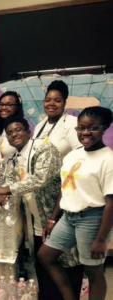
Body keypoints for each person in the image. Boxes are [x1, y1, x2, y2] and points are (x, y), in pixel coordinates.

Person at [0, 116, 81, 300]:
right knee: (42, 265)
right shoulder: (13, 159)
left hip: (57, 215)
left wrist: (6, 189)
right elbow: (8, 180)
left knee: (67, 262)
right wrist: (2, 192)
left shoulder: (43, 147)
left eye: (18, 130)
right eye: (9, 133)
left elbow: (41, 178)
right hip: (35, 220)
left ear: (28, 131)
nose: (14, 135)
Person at [38, 106, 113, 300]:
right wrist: (53, 219)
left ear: (104, 128)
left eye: (92, 128)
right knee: (46, 256)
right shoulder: (72, 155)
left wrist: (100, 239)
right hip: (68, 217)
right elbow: (65, 189)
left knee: (93, 270)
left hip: (92, 217)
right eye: (80, 128)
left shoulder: (108, 159)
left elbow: (111, 202)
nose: (85, 133)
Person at [33, 80, 81, 158]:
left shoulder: (72, 123)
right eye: (48, 100)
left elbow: (80, 153)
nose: (51, 104)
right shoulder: (39, 126)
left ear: (64, 103)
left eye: (57, 101)